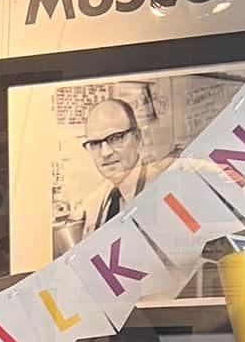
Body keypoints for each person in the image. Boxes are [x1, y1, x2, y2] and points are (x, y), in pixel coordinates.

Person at [65, 97, 169, 248]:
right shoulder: (92, 205)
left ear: (138, 138)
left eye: (115, 138)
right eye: (95, 143)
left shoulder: (166, 192)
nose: (105, 153)